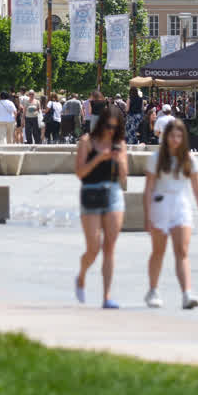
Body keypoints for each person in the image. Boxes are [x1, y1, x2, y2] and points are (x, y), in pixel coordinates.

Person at [143, 116, 198, 309]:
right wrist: (147, 216)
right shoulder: (156, 159)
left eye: (179, 136)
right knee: (158, 251)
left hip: (181, 205)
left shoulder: (189, 160)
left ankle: (187, 293)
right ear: (165, 136)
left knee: (182, 251)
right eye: (172, 136)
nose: (175, 140)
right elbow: (148, 189)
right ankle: (153, 290)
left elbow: (197, 190)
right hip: (160, 205)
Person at [74, 103, 128, 309]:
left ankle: (106, 296)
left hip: (113, 193)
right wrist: (99, 159)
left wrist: (120, 161)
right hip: (91, 192)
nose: (110, 131)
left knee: (109, 247)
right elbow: (80, 173)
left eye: (115, 128)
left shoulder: (119, 144)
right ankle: (81, 275)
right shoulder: (87, 142)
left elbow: (124, 176)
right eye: (107, 126)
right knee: (93, 247)